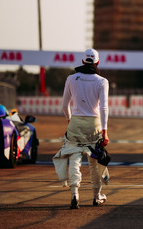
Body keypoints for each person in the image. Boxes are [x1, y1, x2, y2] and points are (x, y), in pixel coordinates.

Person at [53, 48, 109, 209]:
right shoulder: (102, 81)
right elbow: (104, 108)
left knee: (74, 159)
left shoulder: (71, 78)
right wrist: (104, 131)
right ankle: (96, 196)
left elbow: (65, 105)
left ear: (83, 61)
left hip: (76, 123)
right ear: (97, 62)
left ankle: (74, 195)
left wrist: (70, 120)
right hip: (94, 124)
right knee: (94, 162)